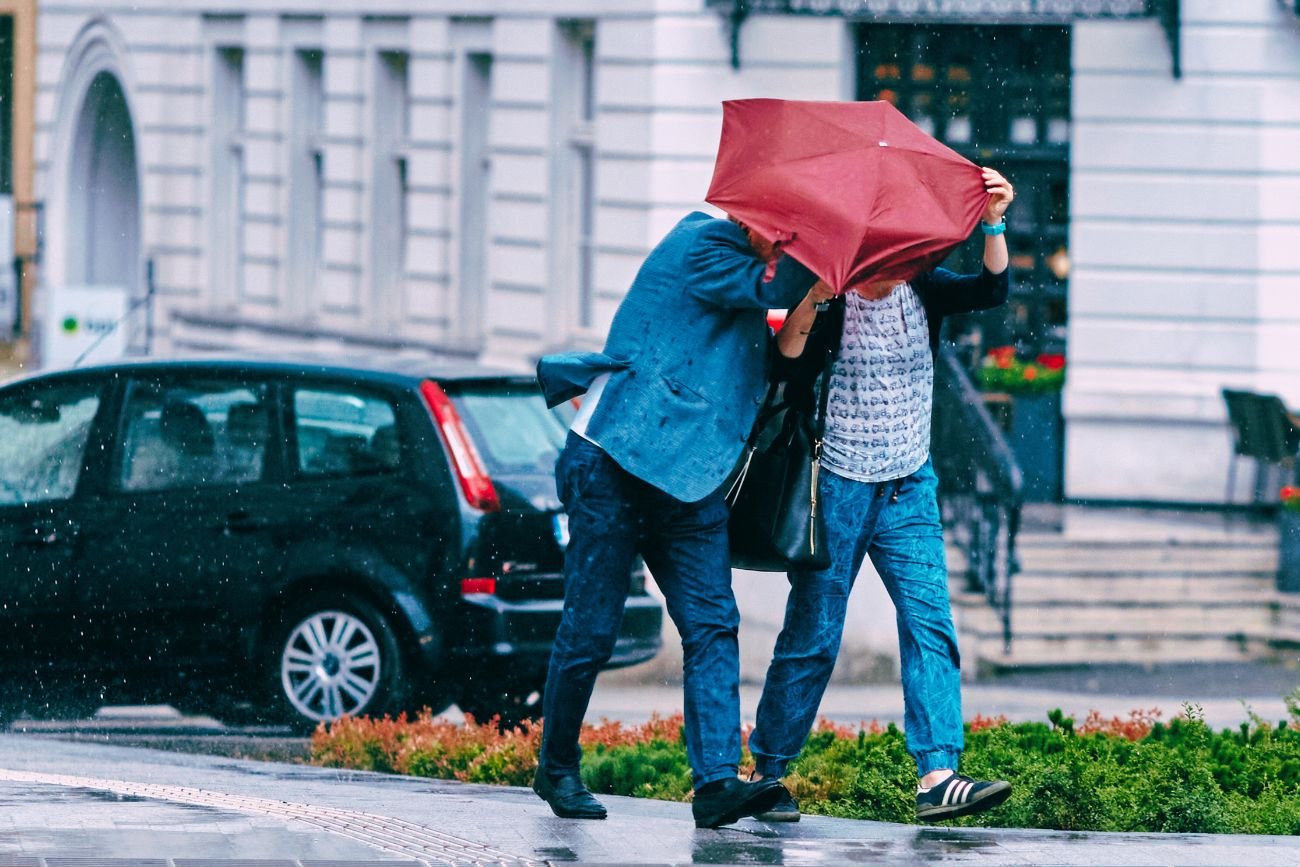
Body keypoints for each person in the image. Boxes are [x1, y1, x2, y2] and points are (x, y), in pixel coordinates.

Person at [534, 210, 825, 828]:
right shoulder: (701, 246)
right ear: (748, 218)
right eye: (781, 232)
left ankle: (717, 783)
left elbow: (767, 368)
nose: (782, 243)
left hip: (688, 481)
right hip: (616, 459)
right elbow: (770, 285)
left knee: (714, 622)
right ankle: (555, 767)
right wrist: (826, 255)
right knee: (591, 628)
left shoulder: (747, 271)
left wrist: (814, 300)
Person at [748, 167, 1016, 823]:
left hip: (908, 485)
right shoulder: (830, 298)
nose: (896, 272)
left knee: (931, 626)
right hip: (837, 484)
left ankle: (938, 773)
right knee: (814, 634)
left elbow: (990, 288)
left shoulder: (922, 288)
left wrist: (993, 221)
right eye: (885, 261)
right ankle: (768, 771)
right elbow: (783, 362)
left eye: (904, 260)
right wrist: (815, 297)